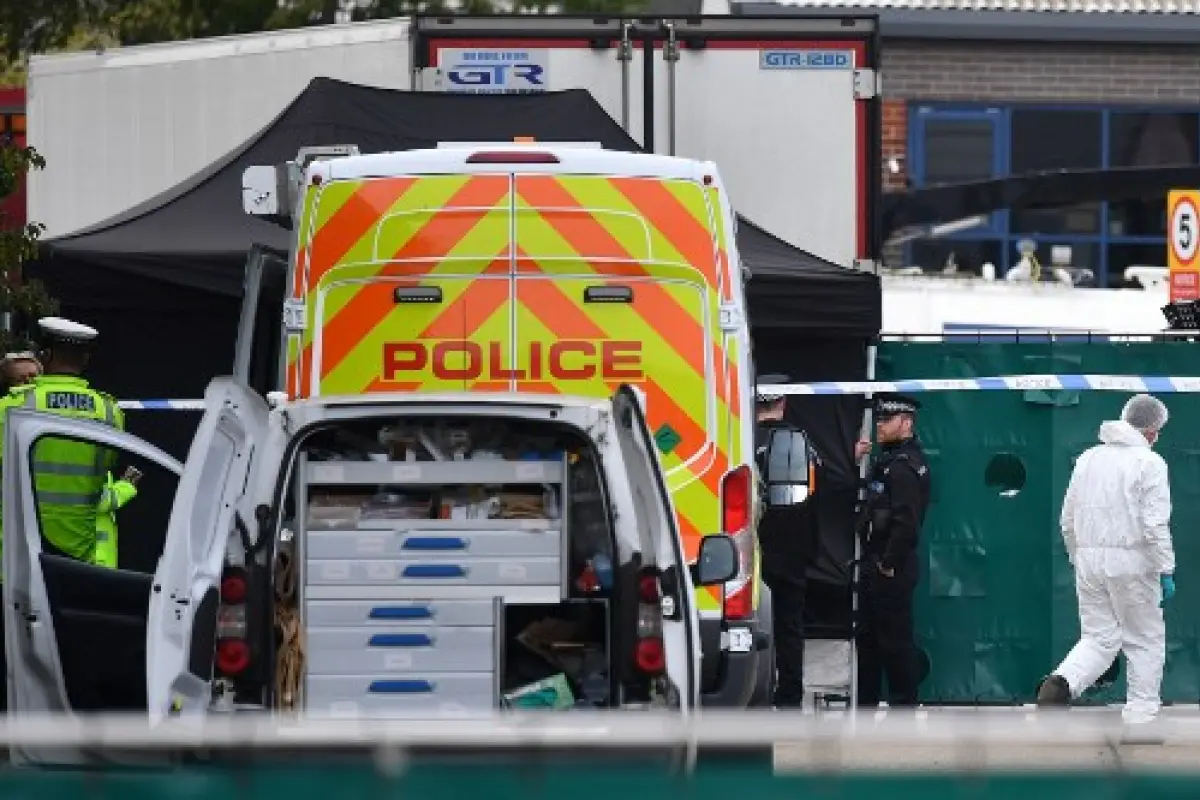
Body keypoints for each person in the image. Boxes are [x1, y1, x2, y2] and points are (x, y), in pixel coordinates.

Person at [1037, 394, 1174, 726]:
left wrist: (1078, 556)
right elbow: (1154, 524)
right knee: (1144, 640)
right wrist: (1165, 569)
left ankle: (1063, 683)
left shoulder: (1088, 458)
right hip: (1134, 563)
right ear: (1153, 429)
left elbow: (1066, 519)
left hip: (1089, 562)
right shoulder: (1150, 463)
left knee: (1098, 637)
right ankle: (1140, 718)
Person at [0, 317, 125, 565]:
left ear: (44, 355)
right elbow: (108, 467)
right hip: (78, 555)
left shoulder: (13, 406)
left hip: (17, 554)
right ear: (86, 359)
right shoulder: (110, 412)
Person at [855, 393, 931, 709]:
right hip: (877, 561)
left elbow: (906, 523)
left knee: (895, 643)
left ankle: (903, 710)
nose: (880, 426)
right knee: (869, 641)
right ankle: (867, 705)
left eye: (887, 420)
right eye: (879, 419)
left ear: (906, 422)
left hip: (891, 566)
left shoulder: (904, 467)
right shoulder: (888, 462)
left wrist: (888, 563)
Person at [754, 373, 818, 708]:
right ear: (784, 402)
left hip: (747, 550)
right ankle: (789, 697)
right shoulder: (801, 442)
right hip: (792, 550)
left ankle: (753, 695)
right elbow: (817, 490)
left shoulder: (739, 438)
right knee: (789, 627)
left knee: (746, 625)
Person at [94, 466, 142, 569]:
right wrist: (127, 485)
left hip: (98, 559)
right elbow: (101, 501)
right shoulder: (94, 466)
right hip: (96, 560)